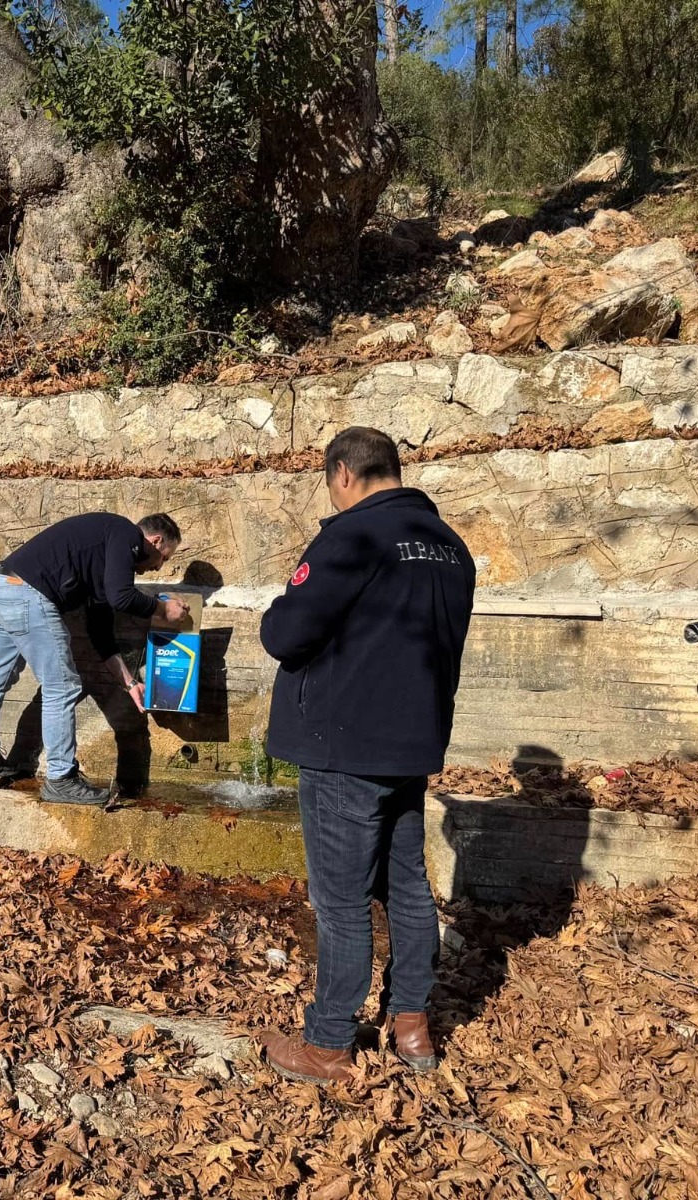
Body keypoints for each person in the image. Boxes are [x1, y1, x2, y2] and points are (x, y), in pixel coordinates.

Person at [255, 427, 475, 1085]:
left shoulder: (352, 536)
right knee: (404, 882)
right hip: (410, 743)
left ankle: (326, 1044)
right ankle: (411, 1024)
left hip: (343, 744)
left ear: (343, 474)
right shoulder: (450, 547)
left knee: (342, 896)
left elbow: (286, 633)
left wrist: (279, 608)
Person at [0, 512, 188, 805]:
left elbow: (100, 631)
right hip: (27, 595)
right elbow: (122, 597)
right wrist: (163, 610)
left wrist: (129, 683)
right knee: (61, 686)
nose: (159, 566)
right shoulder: (125, 534)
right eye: (164, 557)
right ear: (155, 540)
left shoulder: (104, 551)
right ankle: (61, 779)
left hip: (1, 586)